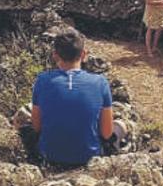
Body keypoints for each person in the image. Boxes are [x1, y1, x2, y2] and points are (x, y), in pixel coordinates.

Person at [27, 27, 114, 166]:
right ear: (84, 54)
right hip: (89, 159)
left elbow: (36, 127)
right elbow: (107, 133)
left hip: (50, 157)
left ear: (55, 55)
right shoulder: (100, 82)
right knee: (123, 125)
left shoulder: (42, 80)